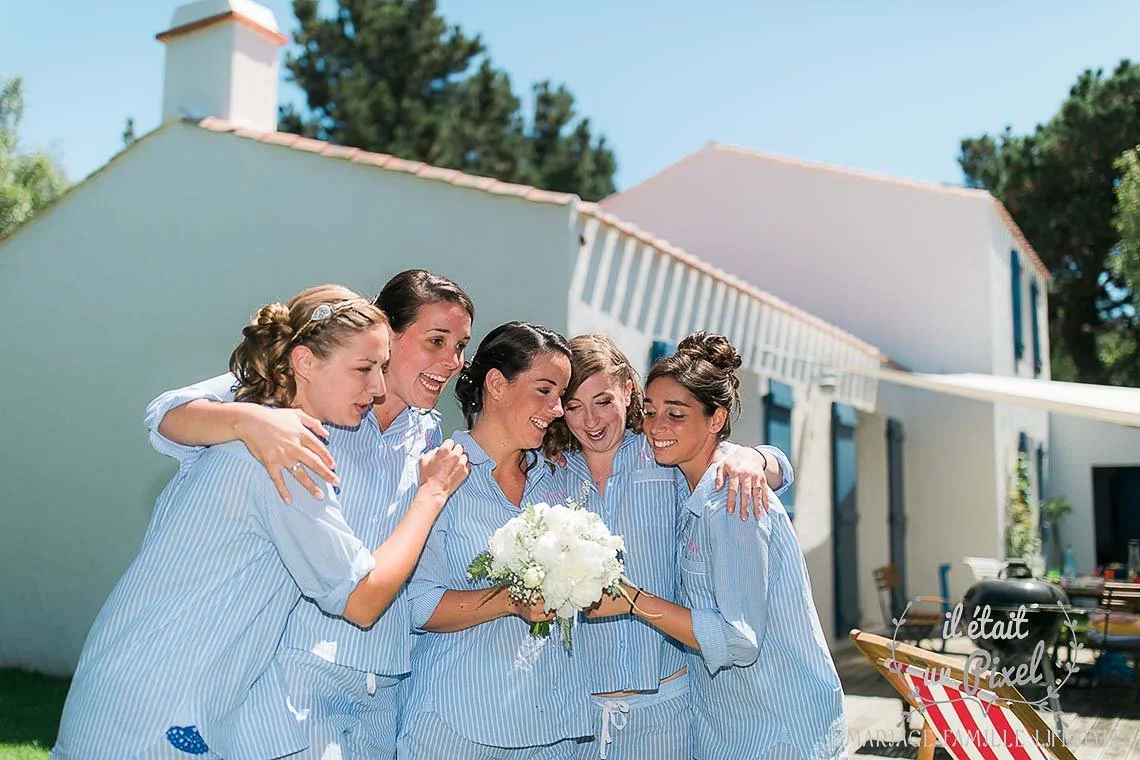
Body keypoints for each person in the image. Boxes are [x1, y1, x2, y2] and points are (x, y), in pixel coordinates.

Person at [53, 285, 469, 760]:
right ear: (305, 363)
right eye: (364, 369)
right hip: (159, 698)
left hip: (150, 688)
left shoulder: (268, 429)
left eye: (379, 369)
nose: (376, 388)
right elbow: (361, 597)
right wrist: (431, 494)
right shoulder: (285, 455)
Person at [590, 332, 847, 760]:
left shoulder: (731, 500)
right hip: (731, 726)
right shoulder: (686, 474)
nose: (657, 427)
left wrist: (632, 600)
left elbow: (738, 639)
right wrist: (762, 456)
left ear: (715, 419)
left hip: (779, 731)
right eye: (650, 412)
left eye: (676, 414)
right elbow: (776, 466)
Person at [542, 334, 793, 760]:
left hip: (666, 713)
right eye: (573, 406)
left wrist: (757, 456)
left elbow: (751, 465)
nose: (591, 421)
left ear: (627, 390)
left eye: (603, 401)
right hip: (574, 714)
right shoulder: (550, 476)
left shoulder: (663, 456)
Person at [399, 321, 592, 759]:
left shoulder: (560, 479)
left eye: (561, 395)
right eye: (545, 390)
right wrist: (511, 600)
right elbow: (418, 604)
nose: (558, 408)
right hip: (457, 728)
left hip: (554, 730)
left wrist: (759, 458)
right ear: (496, 384)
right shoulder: (439, 474)